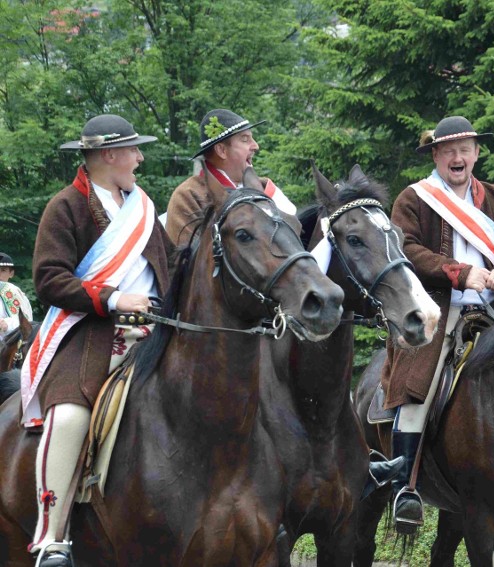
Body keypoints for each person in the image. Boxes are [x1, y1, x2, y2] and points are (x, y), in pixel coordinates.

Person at [21, 114, 171, 567]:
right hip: (89, 334)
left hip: (158, 332)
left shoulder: (142, 209)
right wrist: (112, 297)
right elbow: (49, 280)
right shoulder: (65, 205)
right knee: (68, 416)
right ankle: (51, 536)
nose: (140, 159)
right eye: (133, 151)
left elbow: (173, 266)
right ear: (109, 155)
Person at [381, 116, 494, 532]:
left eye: (465, 149)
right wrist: (457, 272)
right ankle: (404, 486)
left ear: (476, 153)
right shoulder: (414, 199)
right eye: (449, 150)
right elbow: (405, 247)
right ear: (436, 155)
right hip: (438, 308)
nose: (458, 157)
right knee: (420, 385)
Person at [165, 108, 297, 246]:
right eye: (245, 139)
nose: (255, 146)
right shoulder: (188, 195)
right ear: (221, 150)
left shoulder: (264, 188)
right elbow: (185, 262)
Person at [0, 253, 33, 341]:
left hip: (7, 347)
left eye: (3, 270)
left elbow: (26, 322)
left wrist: (6, 324)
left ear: (11, 273)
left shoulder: (9, 290)